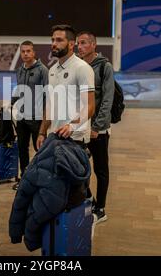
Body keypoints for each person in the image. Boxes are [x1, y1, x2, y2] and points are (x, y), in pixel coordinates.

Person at [36, 24, 95, 204]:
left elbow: (90, 105)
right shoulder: (52, 70)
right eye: (53, 40)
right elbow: (50, 104)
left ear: (71, 44)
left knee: (76, 189)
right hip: (55, 137)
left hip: (75, 137)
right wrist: (42, 131)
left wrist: (72, 125)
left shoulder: (82, 68)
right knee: (60, 187)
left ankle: (86, 216)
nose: (54, 43)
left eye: (59, 40)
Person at [76, 31, 114, 224]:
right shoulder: (80, 67)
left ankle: (101, 209)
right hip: (81, 127)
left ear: (93, 45)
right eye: (77, 43)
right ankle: (90, 201)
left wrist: (97, 127)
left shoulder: (105, 67)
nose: (79, 47)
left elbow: (107, 100)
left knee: (100, 169)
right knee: (78, 167)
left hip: (98, 130)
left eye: (83, 43)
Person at [11, 41, 49, 190]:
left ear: (34, 53)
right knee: (22, 148)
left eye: (28, 51)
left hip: (37, 118)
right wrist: (12, 102)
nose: (25, 54)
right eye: (23, 51)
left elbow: (48, 95)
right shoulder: (20, 70)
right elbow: (19, 89)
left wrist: (46, 118)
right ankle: (24, 178)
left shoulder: (42, 70)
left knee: (40, 150)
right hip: (22, 118)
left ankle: (42, 181)